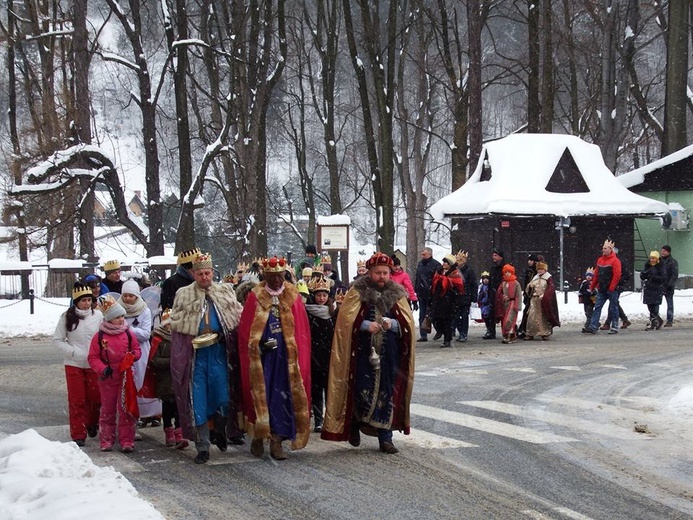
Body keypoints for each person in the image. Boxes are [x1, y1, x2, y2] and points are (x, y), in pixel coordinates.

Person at [322, 252, 415, 455]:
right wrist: (364, 324)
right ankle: (354, 425)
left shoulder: (397, 295)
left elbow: (408, 325)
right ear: (370, 273)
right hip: (362, 353)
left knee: (386, 394)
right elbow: (345, 321)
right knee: (360, 391)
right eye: (378, 273)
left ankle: (385, 437)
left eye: (385, 273)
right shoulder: (357, 292)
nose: (382, 277)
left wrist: (393, 324)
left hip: (389, 354)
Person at [170, 252, 245, 464]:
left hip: (219, 352)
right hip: (196, 357)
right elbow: (176, 325)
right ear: (193, 273)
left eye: (207, 273)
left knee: (223, 396)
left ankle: (221, 429)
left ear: (213, 272)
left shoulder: (225, 291)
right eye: (200, 273)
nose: (204, 277)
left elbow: (236, 319)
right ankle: (202, 445)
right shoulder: (183, 295)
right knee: (197, 401)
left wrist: (224, 334)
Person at [237, 256, 312, 461]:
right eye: (272, 277)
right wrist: (260, 345)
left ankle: (277, 439)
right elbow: (246, 332)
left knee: (282, 398)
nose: (277, 281)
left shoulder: (293, 296)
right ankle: (260, 435)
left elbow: (302, 330)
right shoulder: (255, 296)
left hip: (287, 359)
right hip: (264, 361)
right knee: (263, 397)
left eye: (279, 276)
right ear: (265, 276)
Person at [88, 295, 141, 453]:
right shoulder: (99, 337)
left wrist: (131, 357)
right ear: (109, 318)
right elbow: (93, 357)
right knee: (108, 410)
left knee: (125, 409)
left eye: (122, 316)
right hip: (108, 378)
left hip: (125, 378)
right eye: (117, 317)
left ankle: (127, 440)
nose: (121, 319)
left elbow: (137, 350)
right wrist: (102, 368)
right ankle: (106, 439)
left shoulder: (128, 333)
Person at [52, 283, 103, 447]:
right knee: (77, 399)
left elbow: (104, 336)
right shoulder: (66, 317)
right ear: (76, 301)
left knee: (96, 398)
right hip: (73, 363)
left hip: (93, 363)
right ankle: (78, 433)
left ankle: (91, 422)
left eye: (89, 300)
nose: (87, 303)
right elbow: (57, 340)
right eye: (83, 300)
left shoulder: (98, 316)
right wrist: (73, 352)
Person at [118, 280, 160, 425]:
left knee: (141, 382)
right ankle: (129, 417)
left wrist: (127, 330)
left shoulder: (145, 311)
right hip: (123, 352)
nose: (128, 299)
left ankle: (146, 414)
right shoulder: (117, 310)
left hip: (141, 352)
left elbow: (145, 334)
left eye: (131, 295)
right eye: (125, 296)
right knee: (127, 385)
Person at [149, 309, 188, 449]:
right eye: (168, 324)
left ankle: (179, 432)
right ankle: (168, 431)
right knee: (167, 407)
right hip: (165, 380)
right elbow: (154, 360)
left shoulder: (181, 338)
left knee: (179, 407)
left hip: (178, 379)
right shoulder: (159, 340)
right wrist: (171, 361)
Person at [305, 276, 335, 433]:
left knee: (330, 389)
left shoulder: (333, 313)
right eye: (318, 295)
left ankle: (330, 419)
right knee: (316, 390)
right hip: (314, 355)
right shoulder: (309, 313)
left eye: (324, 295)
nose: (321, 298)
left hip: (330, 355)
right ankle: (318, 419)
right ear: (314, 296)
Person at [582, 239, 622, 334]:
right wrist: (592, 286)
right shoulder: (600, 260)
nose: (603, 250)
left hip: (611, 289)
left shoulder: (615, 261)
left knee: (613, 307)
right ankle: (593, 326)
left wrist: (612, 287)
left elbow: (617, 275)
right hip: (602, 288)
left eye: (605, 248)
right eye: (603, 248)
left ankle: (615, 326)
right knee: (598, 307)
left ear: (610, 249)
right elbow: (596, 275)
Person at [429, 253, 464, 348]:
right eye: (443, 261)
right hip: (438, 299)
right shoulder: (439, 272)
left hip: (449, 301)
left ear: (450, 264)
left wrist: (455, 301)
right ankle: (440, 331)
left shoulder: (455, 274)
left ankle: (447, 340)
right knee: (435, 319)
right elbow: (434, 284)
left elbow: (458, 287)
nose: (444, 263)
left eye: (446, 262)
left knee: (447, 321)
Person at [524, 261, 560, 340]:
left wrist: (545, 295)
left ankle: (544, 333)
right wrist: (530, 286)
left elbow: (551, 288)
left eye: (541, 269)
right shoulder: (535, 278)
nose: (539, 271)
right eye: (538, 269)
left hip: (543, 301)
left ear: (545, 269)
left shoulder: (548, 278)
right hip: (534, 299)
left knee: (543, 316)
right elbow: (529, 289)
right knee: (532, 316)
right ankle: (530, 333)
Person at [414, 247, 441, 342]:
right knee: (422, 315)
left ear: (430, 254)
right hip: (421, 293)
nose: (422, 256)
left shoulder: (436, 265)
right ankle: (423, 335)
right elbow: (418, 277)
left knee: (433, 314)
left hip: (432, 294)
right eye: (422, 254)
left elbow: (438, 280)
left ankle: (439, 330)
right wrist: (416, 288)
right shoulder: (420, 264)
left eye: (424, 254)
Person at [495, 264, 522, 344]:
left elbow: (518, 295)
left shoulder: (516, 283)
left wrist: (518, 305)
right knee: (505, 320)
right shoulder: (503, 283)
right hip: (505, 304)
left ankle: (510, 334)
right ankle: (509, 334)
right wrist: (502, 297)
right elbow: (499, 293)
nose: (507, 274)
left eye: (509, 272)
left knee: (509, 320)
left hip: (513, 303)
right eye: (505, 272)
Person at [453, 250, 476, 343]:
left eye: (460, 260)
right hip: (457, 297)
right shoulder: (455, 271)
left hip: (466, 297)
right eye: (457, 260)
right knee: (456, 317)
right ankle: (460, 331)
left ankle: (464, 333)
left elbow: (473, 284)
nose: (458, 262)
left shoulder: (469, 271)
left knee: (464, 316)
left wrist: (474, 296)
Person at [640, 251, 665, 330]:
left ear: (657, 259)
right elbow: (644, 276)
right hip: (648, 288)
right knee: (649, 306)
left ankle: (654, 322)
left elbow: (663, 278)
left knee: (655, 306)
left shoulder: (660, 266)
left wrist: (654, 277)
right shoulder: (647, 266)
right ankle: (657, 320)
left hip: (656, 289)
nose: (652, 260)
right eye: (651, 258)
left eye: (654, 258)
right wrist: (643, 275)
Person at [485, 248, 507, 339]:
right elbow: (491, 282)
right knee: (491, 313)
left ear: (500, 257)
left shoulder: (505, 267)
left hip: (501, 293)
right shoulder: (493, 268)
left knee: (503, 313)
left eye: (495, 255)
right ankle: (491, 331)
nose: (493, 257)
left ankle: (506, 331)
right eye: (493, 255)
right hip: (493, 293)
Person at [517, 254, 539, 339]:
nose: (529, 262)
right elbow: (526, 283)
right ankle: (524, 329)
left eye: (531, 260)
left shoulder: (537, 272)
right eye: (529, 260)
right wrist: (525, 294)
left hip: (535, 295)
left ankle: (527, 330)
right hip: (529, 294)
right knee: (527, 312)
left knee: (531, 313)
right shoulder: (529, 271)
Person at [660, 245, 678, 327]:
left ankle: (669, 320)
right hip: (660, 285)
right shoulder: (659, 261)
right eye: (662, 251)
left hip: (668, 286)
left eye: (664, 251)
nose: (662, 252)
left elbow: (674, 274)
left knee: (669, 303)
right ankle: (655, 319)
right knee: (656, 303)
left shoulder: (673, 262)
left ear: (668, 252)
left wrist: (670, 284)